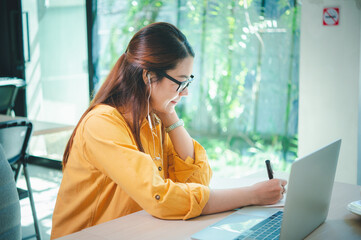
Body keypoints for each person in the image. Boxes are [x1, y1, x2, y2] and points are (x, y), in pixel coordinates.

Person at [51, 22, 287, 239]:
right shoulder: (102, 124)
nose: (185, 92)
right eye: (180, 82)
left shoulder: (152, 119)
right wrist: (252, 195)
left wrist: (170, 115)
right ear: (149, 76)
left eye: (188, 82)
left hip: (135, 230)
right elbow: (161, 198)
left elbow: (198, 180)